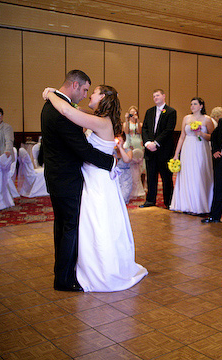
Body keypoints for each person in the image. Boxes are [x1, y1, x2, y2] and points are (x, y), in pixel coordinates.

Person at [43, 83, 147, 292]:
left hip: (98, 179)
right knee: (91, 222)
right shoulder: (101, 119)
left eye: (94, 92)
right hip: (93, 175)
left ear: (103, 98)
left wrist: (50, 93)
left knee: (97, 222)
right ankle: (86, 265)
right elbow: (76, 109)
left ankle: (100, 270)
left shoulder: (102, 122)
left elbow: (66, 110)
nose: (89, 94)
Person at [40, 70, 117, 292]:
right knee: (69, 229)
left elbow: (74, 112)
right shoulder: (61, 111)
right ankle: (64, 279)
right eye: (85, 90)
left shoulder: (53, 106)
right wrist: (110, 162)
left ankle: (65, 273)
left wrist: (50, 92)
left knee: (65, 227)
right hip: (67, 179)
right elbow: (82, 148)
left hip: (60, 177)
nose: (85, 95)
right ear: (75, 85)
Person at [170, 97, 215, 215]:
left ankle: (199, 205)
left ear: (201, 106)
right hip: (187, 148)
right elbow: (181, 137)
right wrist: (176, 154)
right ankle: (186, 204)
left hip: (201, 148)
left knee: (198, 174)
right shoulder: (186, 118)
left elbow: (213, 137)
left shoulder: (207, 119)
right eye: (191, 104)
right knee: (187, 174)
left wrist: (201, 133)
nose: (192, 106)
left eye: (195, 104)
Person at [141, 89, 177, 209]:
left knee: (166, 177)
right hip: (149, 150)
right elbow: (144, 128)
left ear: (163, 96)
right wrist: (147, 143)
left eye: (157, 95)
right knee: (151, 176)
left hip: (164, 150)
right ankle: (150, 200)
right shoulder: (149, 111)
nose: (155, 97)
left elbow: (168, 130)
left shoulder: (171, 112)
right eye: (153, 96)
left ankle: (168, 201)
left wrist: (156, 143)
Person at [123, 106, 146, 199]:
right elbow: (127, 132)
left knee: (141, 166)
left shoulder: (139, 123)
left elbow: (139, 131)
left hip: (139, 144)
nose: (133, 115)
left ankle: (142, 187)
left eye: (135, 112)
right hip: (129, 143)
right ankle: (130, 188)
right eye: (131, 113)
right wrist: (126, 119)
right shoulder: (126, 123)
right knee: (131, 166)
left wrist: (138, 121)